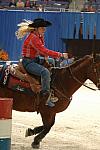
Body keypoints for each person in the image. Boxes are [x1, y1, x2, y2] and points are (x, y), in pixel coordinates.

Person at [15, 18, 68, 107]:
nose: (44, 29)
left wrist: (45, 56)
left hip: (34, 59)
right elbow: (44, 50)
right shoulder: (33, 38)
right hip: (28, 62)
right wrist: (61, 55)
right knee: (45, 72)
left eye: (44, 28)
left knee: (52, 61)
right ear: (36, 28)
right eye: (42, 28)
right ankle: (45, 96)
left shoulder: (39, 37)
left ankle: (52, 85)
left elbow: (42, 51)